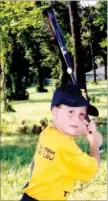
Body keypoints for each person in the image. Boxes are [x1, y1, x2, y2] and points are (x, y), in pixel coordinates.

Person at [20, 83, 103, 201]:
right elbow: (92, 169)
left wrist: (83, 131)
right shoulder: (65, 146)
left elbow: (67, 129)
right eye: (71, 112)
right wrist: (94, 143)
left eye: (82, 114)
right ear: (55, 113)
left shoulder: (47, 133)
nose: (76, 119)